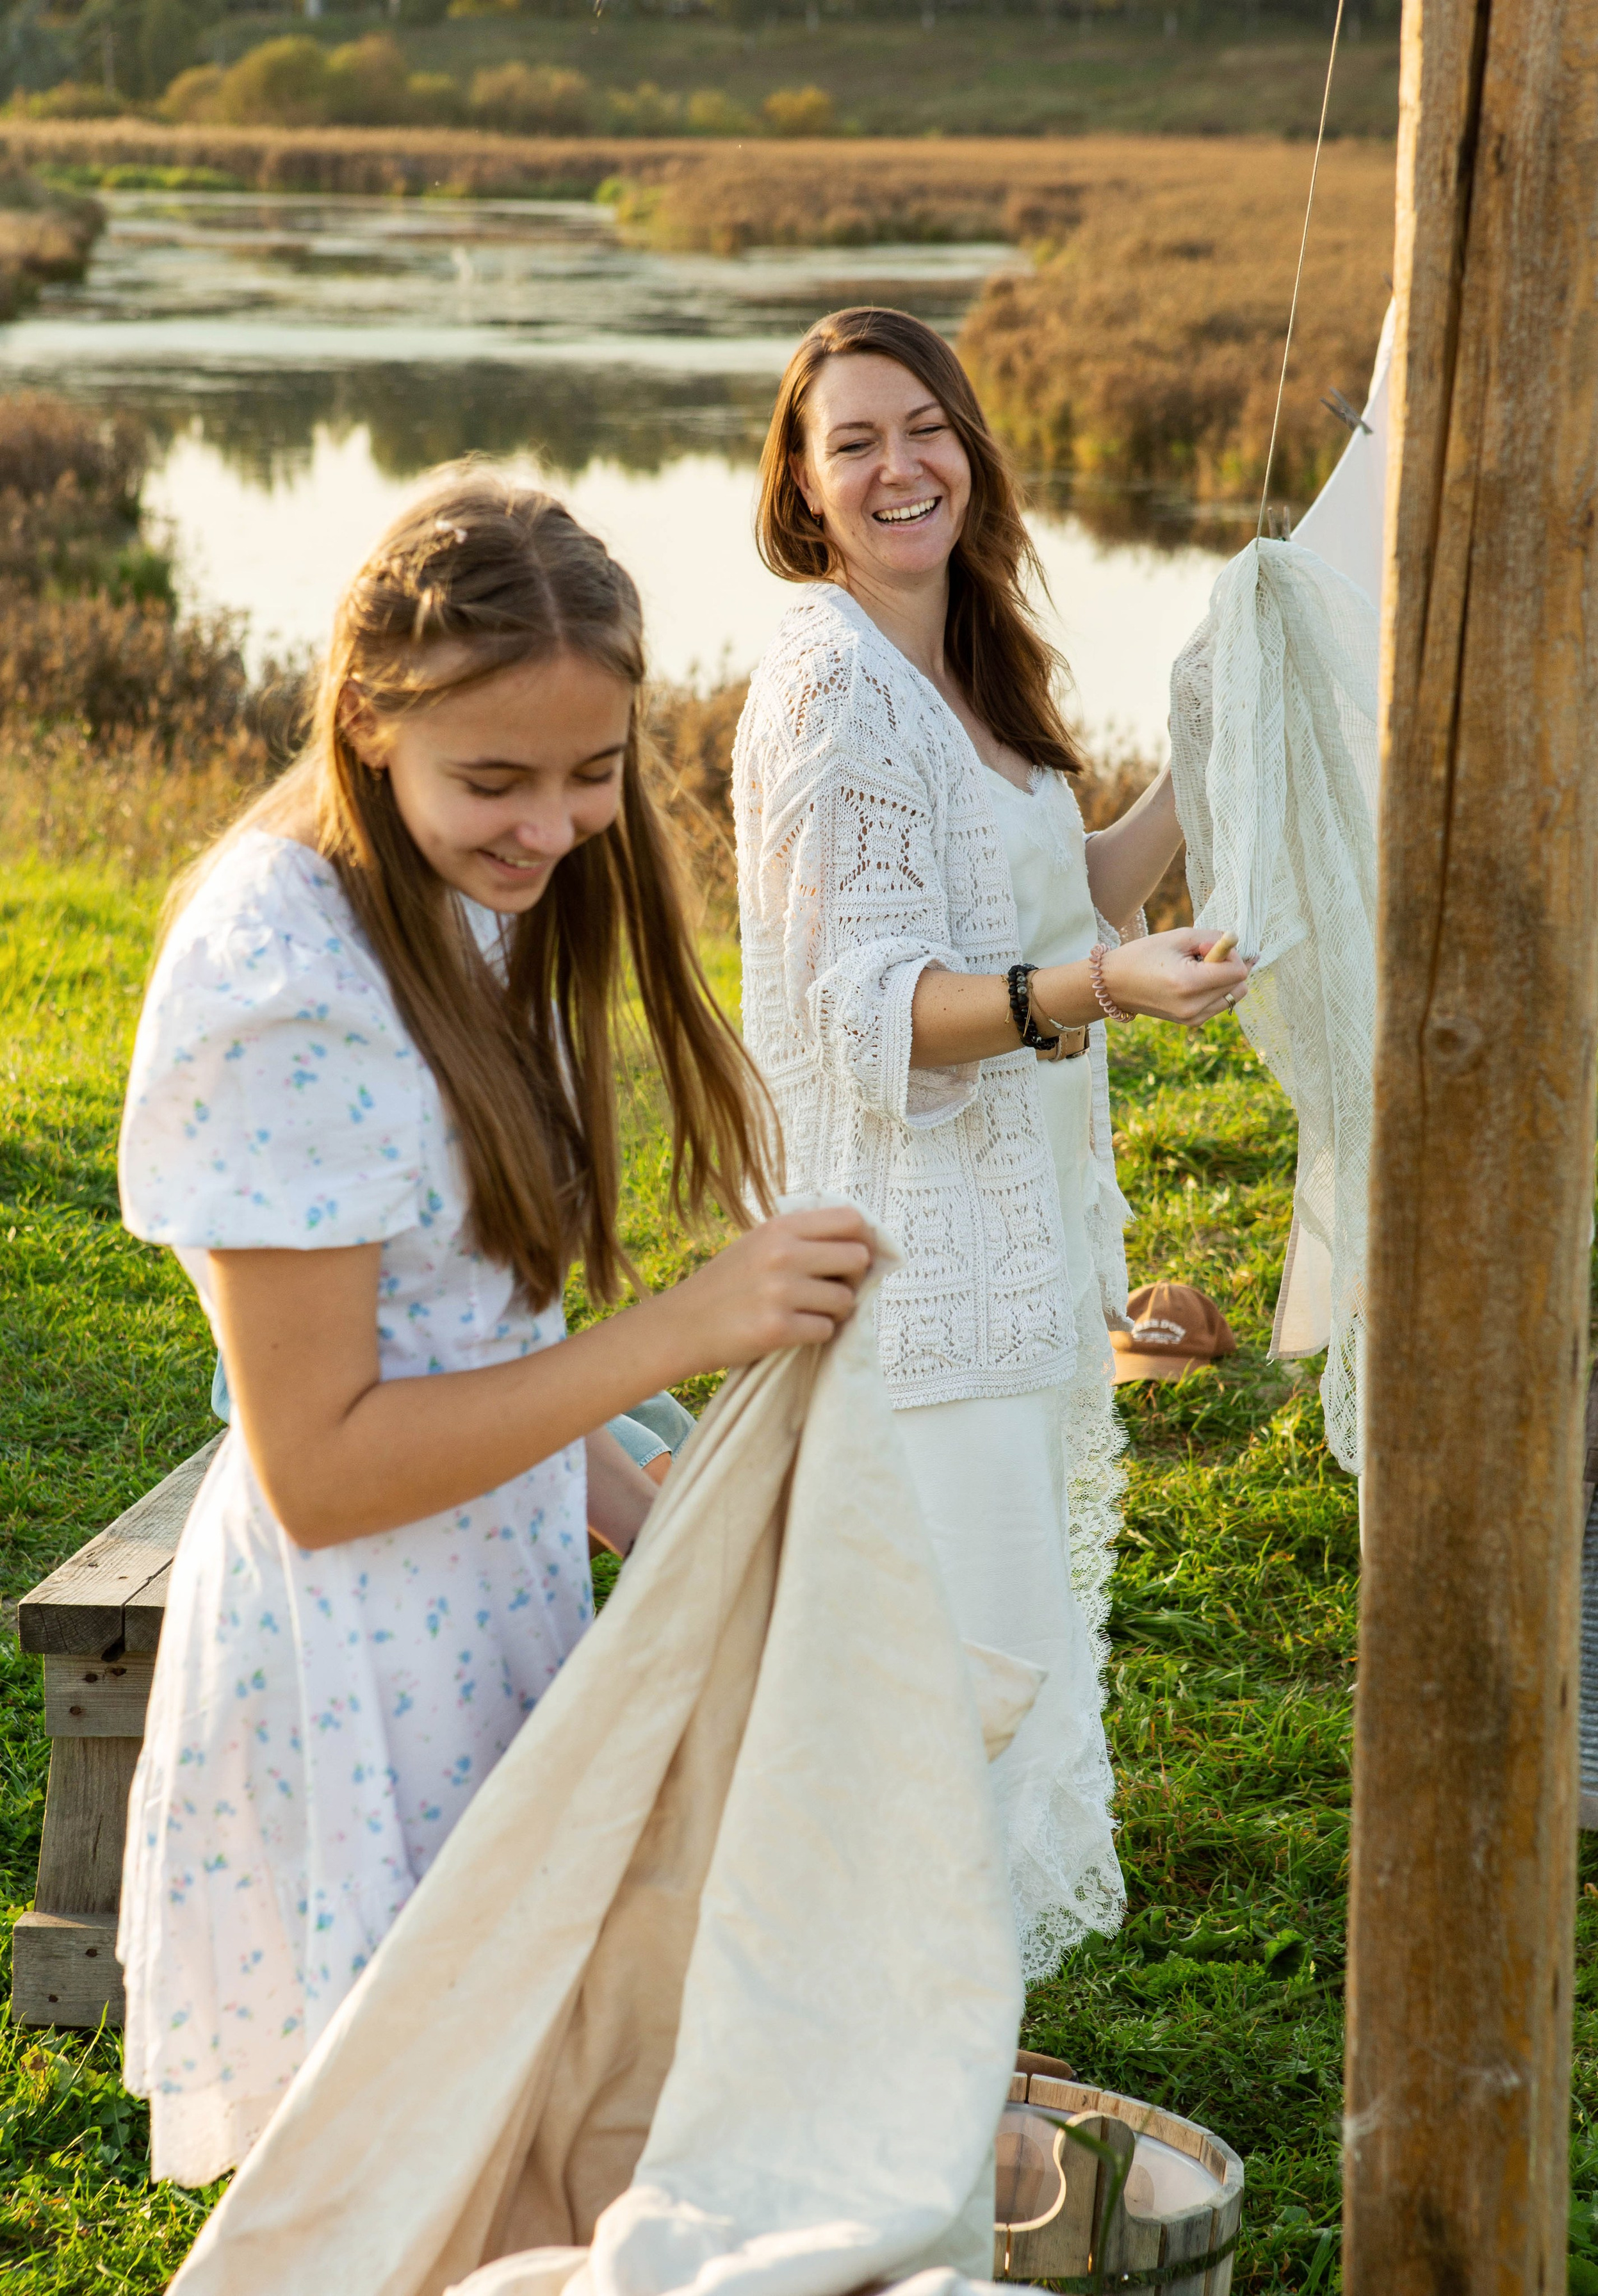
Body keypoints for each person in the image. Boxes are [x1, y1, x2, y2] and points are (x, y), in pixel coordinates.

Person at [116, 469, 872, 2186]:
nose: (549, 826)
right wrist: (681, 1333)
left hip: (480, 1605)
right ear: (368, 721)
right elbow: (320, 1470)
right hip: (353, 1668)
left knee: (507, 2162)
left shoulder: (461, 896)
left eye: (591, 772)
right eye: (495, 781)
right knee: (383, 2190)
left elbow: (459, 1343)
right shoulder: (278, 977)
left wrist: (647, 1510)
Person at [733, 307, 1250, 1978]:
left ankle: (944, 2074)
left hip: (1008, 1272)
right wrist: (1104, 987)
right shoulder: (830, 685)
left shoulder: (964, 663)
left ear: (969, 446)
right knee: (940, 1724)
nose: (901, 468)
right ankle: (887, 2065)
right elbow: (874, 1009)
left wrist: (1204, 754)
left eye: (926, 428)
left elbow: (1057, 895)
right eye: (855, 443)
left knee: (995, 1705)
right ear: (804, 489)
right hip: (913, 1287)